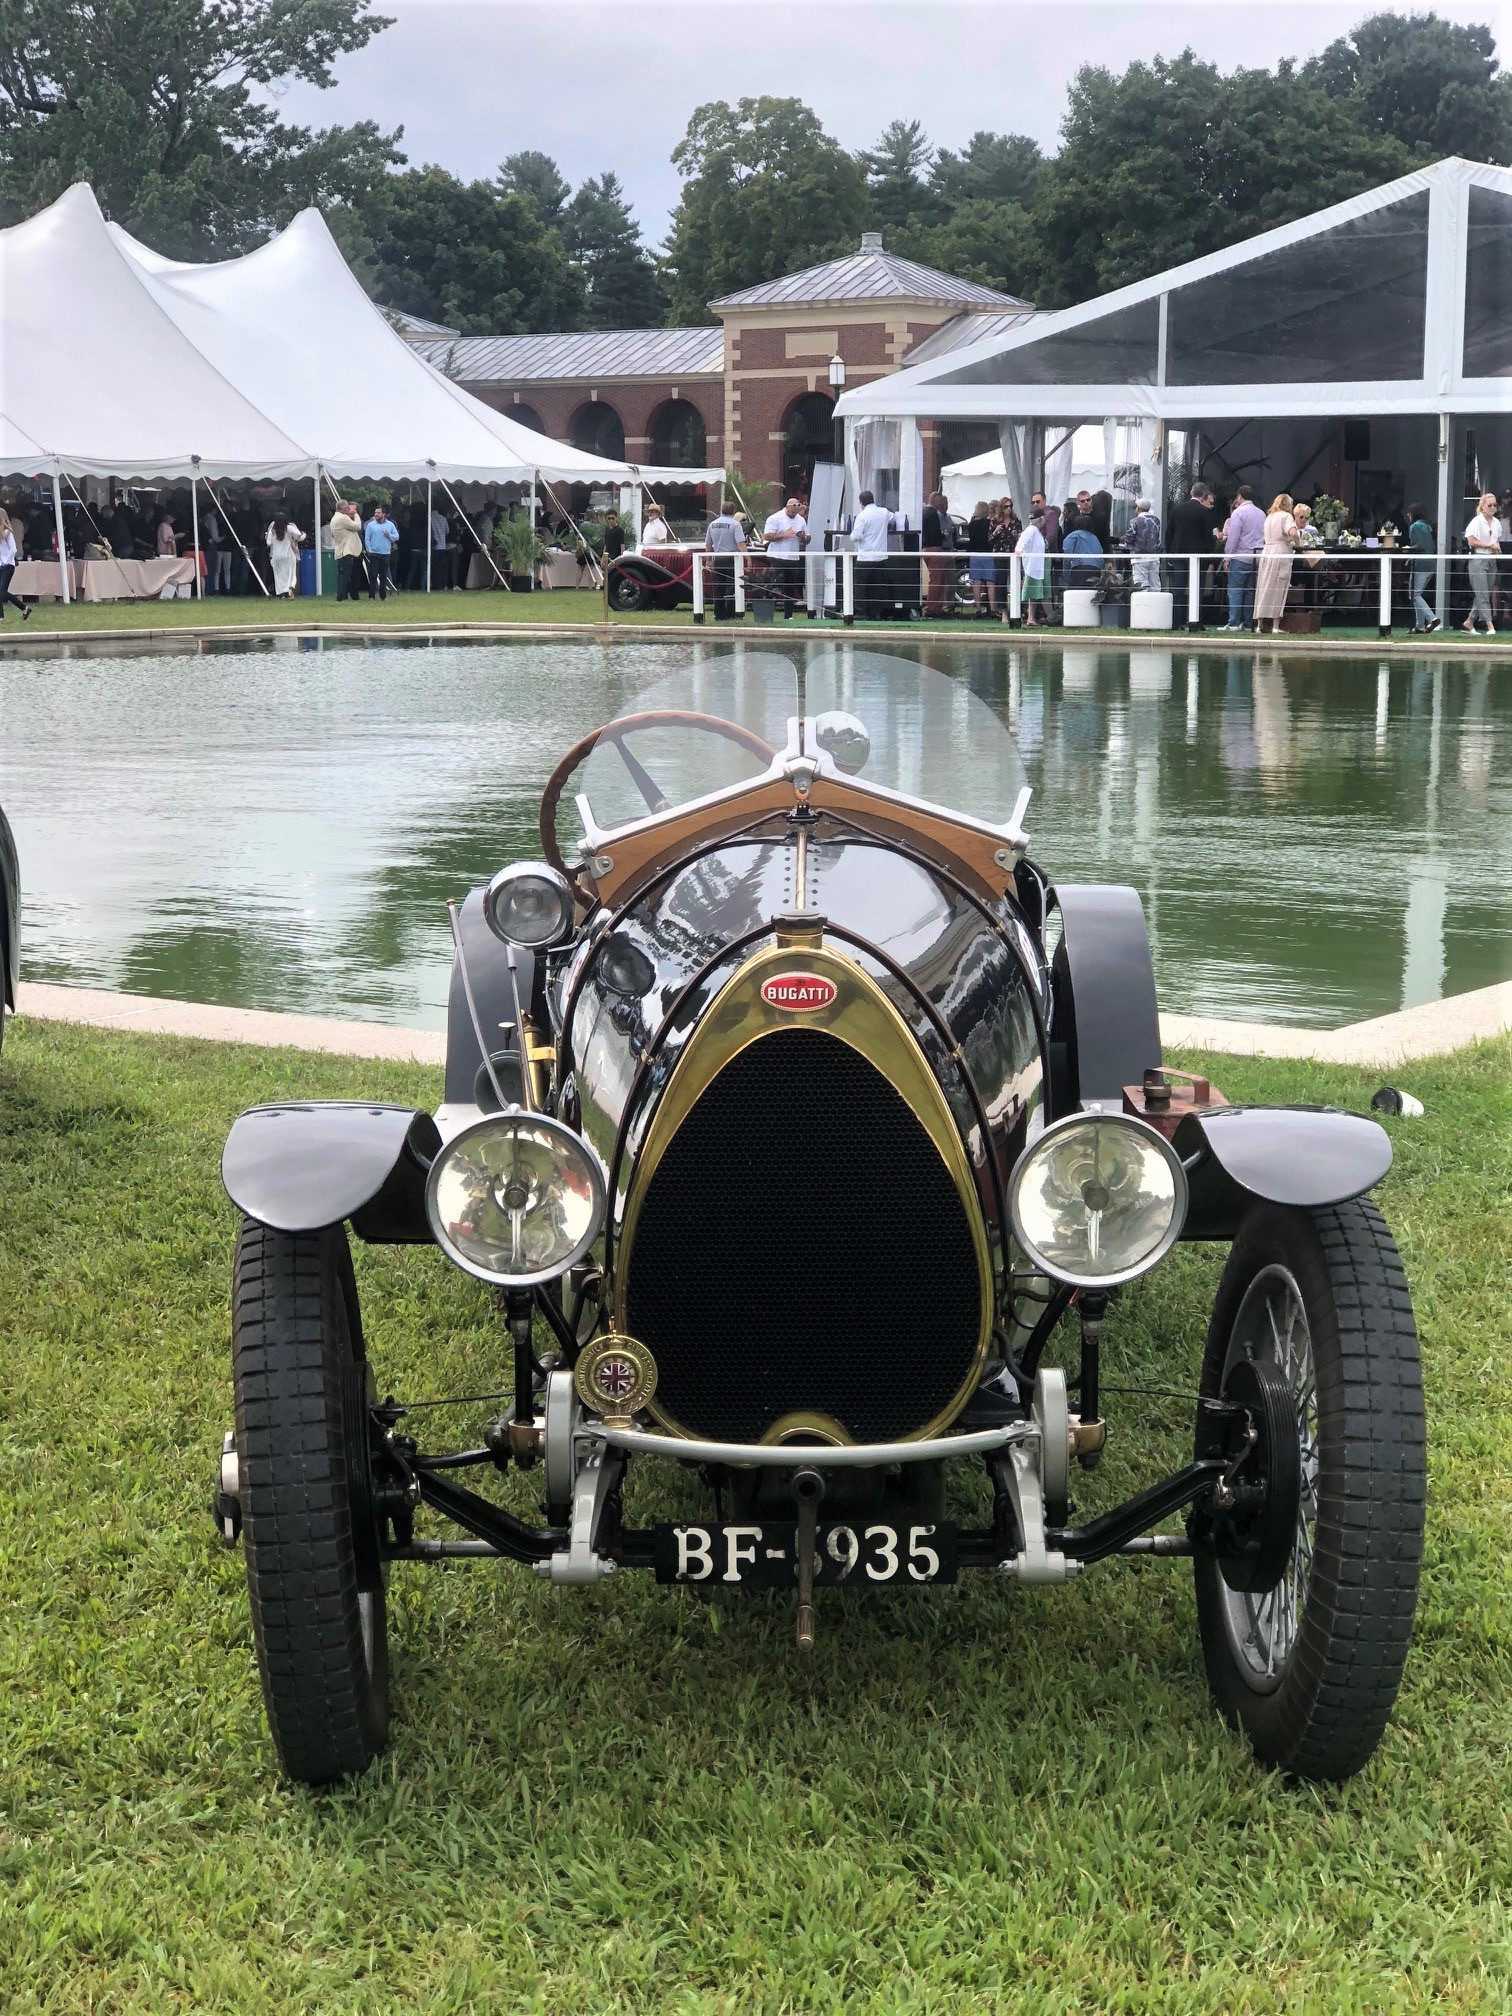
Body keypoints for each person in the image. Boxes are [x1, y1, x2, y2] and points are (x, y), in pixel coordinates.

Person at [852, 488, 901, 620]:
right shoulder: (884, 512)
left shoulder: (862, 516)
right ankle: (876, 613)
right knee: (878, 586)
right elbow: (894, 518)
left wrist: (859, 536)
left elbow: (855, 536)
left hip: (865, 557)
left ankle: (862, 612)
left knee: (860, 585)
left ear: (861, 502)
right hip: (881, 557)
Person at [1221, 485, 1266, 630]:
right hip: (1256, 557)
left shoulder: (1238, 513)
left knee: (1235, 589)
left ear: (1240, 496)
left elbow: (1233, 537)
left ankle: (1233, 623)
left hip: (1240, 556)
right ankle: (1247, 624)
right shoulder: (1261, 514)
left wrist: (1227, 557)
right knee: (1249, 591)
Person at [1253, 493, 1298, 634]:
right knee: (1278, 588)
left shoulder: (1269, 517)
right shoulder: (1286, 516)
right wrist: (1296, 542)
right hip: (1280, 551)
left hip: (1267, 551)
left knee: (1263, 587)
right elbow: (1293, 533)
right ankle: (1275, 626)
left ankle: (1260, 624)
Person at [1463, 490, 1502, 635]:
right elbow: (1471, 541)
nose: (1492, 508)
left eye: (1495, 505)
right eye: (1490, 505)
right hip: (1478, 559)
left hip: (1492, 559)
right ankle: (1489, 625)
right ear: (1483, 506)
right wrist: (1488, 546)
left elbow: (1496, 540)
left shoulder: (1497, 523)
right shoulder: (1477, 521)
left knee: (1484, 592)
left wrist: (1497, 549)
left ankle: (1469, 621)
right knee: (1483, 593)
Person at [762, 496, 808, 618]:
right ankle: (768, 613)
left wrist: (803, 537)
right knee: (776, 584)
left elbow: (808, 538)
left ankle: (788, 615)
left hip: (793, 557)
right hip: (777, 556)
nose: (794, 515)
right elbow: (767, 536)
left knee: (790, 587)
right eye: (792, 512)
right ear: (787, 507)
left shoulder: (801, 520)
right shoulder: (775, 518)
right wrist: (784, 535)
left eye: (795, 513)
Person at [704, 497, 746, 619]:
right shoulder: (735, 524)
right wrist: (747, 557)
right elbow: (741, 544)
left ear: (721, 510)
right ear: (733, 511)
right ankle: (730, 613)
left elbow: (708, 544)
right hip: (731, 558)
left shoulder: (712, 524)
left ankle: (718, 613)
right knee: (731, 586)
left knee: (718, 587)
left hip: (718, 558)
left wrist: (708, 560)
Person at [921, 488, 955, 617]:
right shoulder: (932, 513)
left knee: (937, 578)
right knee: (936, 579)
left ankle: (935, 606)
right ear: (935, 500)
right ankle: (932, 607)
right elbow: (935, 534)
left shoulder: (925, 512)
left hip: (927, 549)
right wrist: (945, 535)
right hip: (934, 549)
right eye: (941, 502)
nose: (942, 505)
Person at [1406, 503, 1439, 632]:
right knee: (1417, 594)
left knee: (1414, 594)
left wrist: (1409, 550)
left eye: (1409, 514)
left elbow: (1418, 545)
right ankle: (1419, 625)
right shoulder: (1427, 526)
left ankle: (1432, 618)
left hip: (1420, 563)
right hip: (1431, 562)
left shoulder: (1414, 527)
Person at [1015, 508, 1048, 627]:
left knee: (1034, 593)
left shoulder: (1035, 531)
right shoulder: (1031, 531)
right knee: (1032, 593)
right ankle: (1030, 617)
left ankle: (1031, 617)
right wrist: (1018, 551)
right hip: (1032, 567)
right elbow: (1021, 544)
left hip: (1036, 566)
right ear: (1040, 519)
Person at [964, 499, 996, 617]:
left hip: (975, 555)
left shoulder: (972, 525)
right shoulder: (990, 523)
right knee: (990, 583)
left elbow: (971, 540)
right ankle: (993, 607)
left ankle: (978, 608)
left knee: (976, 583)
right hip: (988, 554)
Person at [0, 509, 33, 620]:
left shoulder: (8, 532)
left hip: (8, 565)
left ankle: (23, 607)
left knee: (2, 591)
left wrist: (5, 561)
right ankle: (1, 616)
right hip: (1, 564)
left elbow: (13, 549)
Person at [992, 496, 1021, 618]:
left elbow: (1021, 537)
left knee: (1016, 581)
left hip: (1013, 553)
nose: (1008, 509)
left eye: (1010, 506)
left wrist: (1017, 535)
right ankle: (1003, 610)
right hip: (1000, 553)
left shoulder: (1016, 520)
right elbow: (989, 540)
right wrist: (995, 532)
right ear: (1001, 508)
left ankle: (1017, 609)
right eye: (1006, 507)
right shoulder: (995, 521)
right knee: (1001, 582)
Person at [363, 503, 400, 600]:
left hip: (385, 553)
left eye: (379, 513)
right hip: (374, 553)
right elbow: (367, 538)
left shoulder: (390, 525)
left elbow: (396, 537)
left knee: (384, 576)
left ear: (384, 514)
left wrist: (389, 535)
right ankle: (371, 596)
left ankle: (383, 596)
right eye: (375, 513)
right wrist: (369, 549)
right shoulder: (370, 525)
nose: (376, 514)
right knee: (373, 575)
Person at [1127, 497, 1162, 593]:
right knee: (1155, 584)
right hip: (1154, 557)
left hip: (1139, 557)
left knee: (1141, 584)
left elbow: (1129, 539)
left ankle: (1143, 606)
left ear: (1138, 508)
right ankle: (1156, 605)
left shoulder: (1134, 521)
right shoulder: (1156, 520)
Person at [265, 514, 304, 598]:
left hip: (276, 556)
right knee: (291, 573)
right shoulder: (289, 528)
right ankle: (290, 588)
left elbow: (268, 543)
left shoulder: (273, 530)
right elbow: (298, 533)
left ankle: (281, 593)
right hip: (289, 555)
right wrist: (293, 538)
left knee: (279, 575)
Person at [429, 498, 452, 591]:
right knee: (442, 567)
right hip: (442, 546)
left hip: (434, 547)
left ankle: (435, 584)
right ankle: (443, 584)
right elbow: (447, 531)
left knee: (434, 567)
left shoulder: (429, 517)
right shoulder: (443, 518)